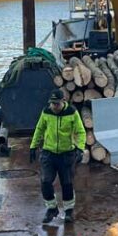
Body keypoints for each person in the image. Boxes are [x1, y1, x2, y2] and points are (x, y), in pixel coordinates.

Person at [29, 89, 86, 224]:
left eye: (57, 104)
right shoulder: (46, 112)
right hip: (48, 153)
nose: (54, 107)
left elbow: (81, 132)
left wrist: (80, 148)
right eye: (52, 104)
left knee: (67, 183)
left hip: (66, 154)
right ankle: (52, 208)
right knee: (45, 181)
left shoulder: (71, 112)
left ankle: (69, 211)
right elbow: (39, 129)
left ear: (63, 102)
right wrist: (33, 146)